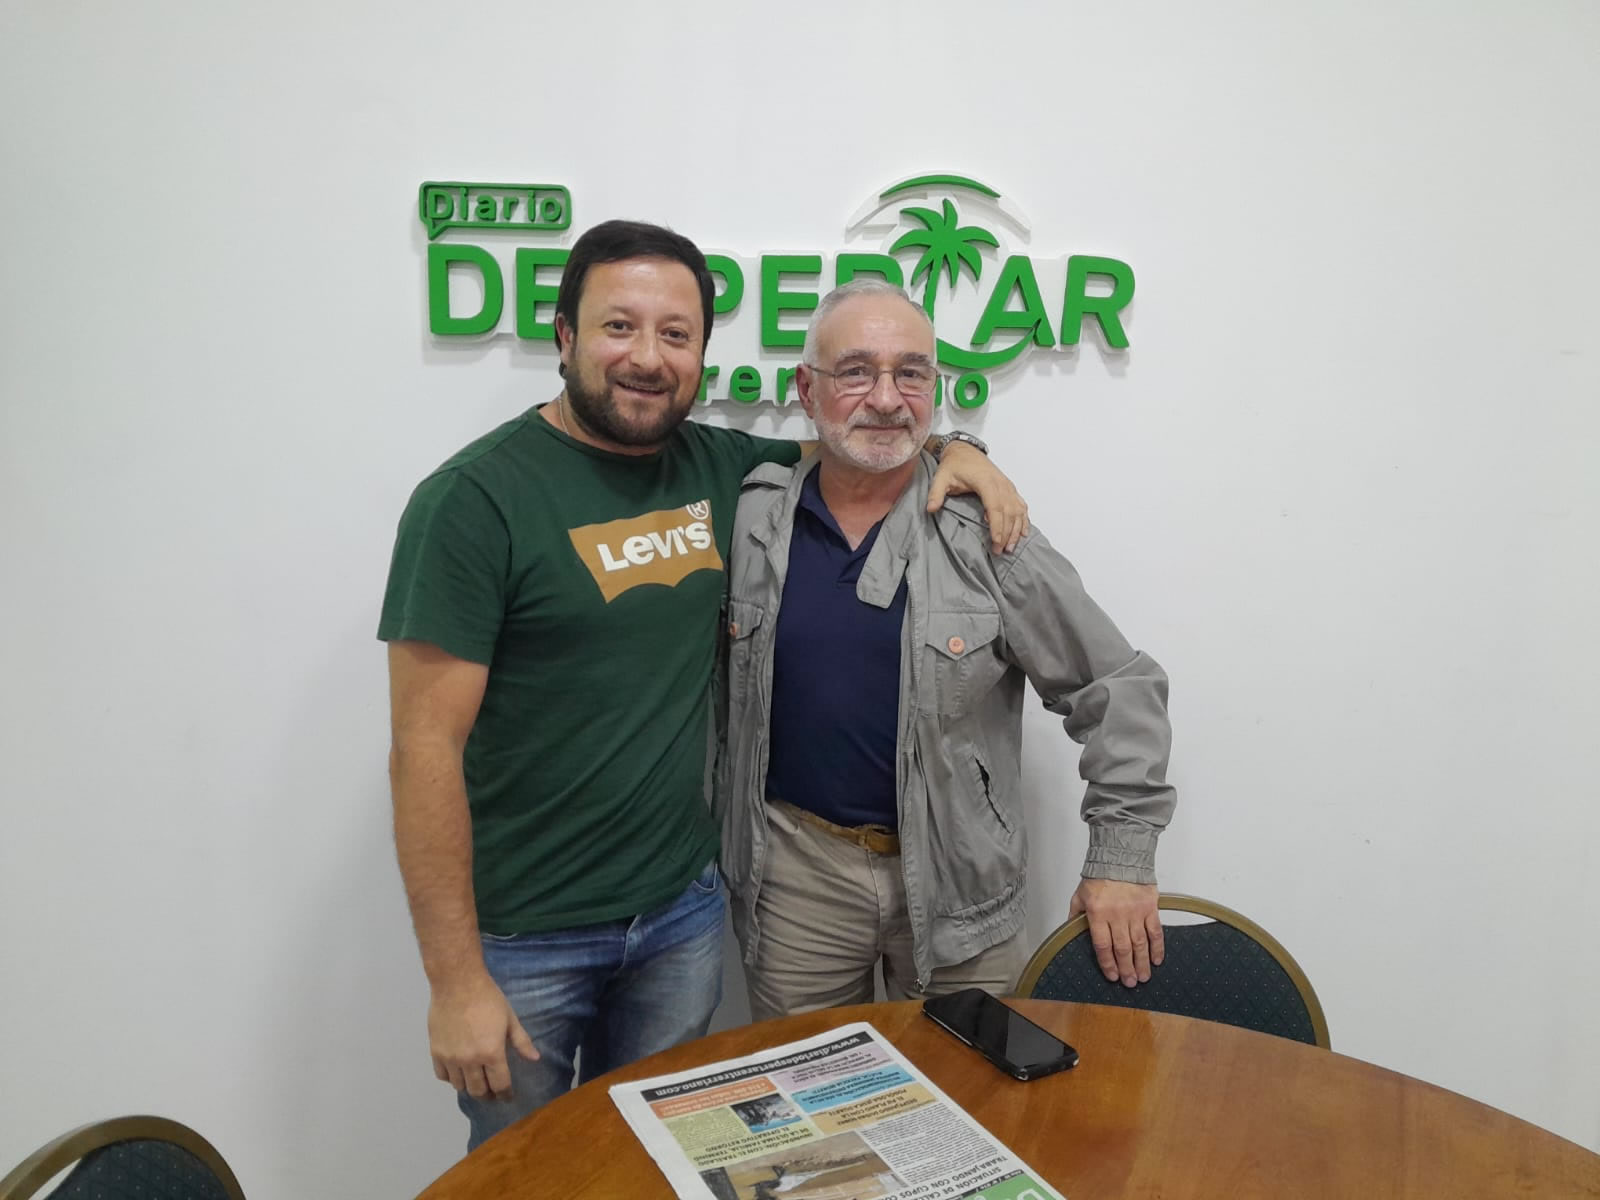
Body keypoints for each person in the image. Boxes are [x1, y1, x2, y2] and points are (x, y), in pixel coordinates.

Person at [378, 221, 1027, 1149]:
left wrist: (961, 449)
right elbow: (421, 750)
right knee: (527, 1173)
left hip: (680, 917)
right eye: (618, 327)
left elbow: (864, 444)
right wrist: (454, 980)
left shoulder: (730, 473)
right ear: (562, 335)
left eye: (676, 335)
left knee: (661, 1163)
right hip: (526, 938)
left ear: (701, 355)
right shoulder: (477, 501)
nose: (647, 357)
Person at [717, 280, 1177, 1020]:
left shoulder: (988, 531)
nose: (888, 398)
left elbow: (1119, 687)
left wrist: (1121, 863)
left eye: (911, 372)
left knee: (969, 1110)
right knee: (804, 1108)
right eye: (857, 371)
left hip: (963, 892)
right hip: (796, 881)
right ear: (808, 387)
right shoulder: (750, 518)